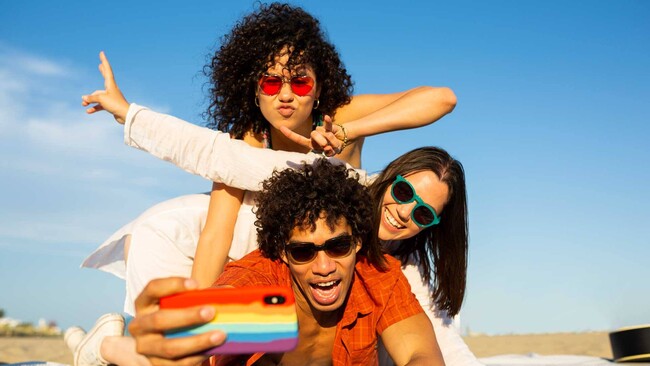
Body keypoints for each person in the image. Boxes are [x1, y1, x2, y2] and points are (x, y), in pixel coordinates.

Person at [71, 2, 457, 365]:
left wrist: (346, 131)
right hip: (277, 259)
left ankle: (103, 344)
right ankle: (106, 344)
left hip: (342, 270)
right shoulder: (249, 140)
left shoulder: (340, 118)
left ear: (320, 88)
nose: (286, 95)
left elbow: (440, 99)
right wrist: (198, 321)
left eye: (301, 83)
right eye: (271, 83)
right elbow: (216, 233)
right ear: (254, 89)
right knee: (183, 342)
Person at [129, 159, 445, 365]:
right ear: (282, 252)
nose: (323, 267)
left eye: (338, 246)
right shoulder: (262, 283)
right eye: (303, 252)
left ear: (358, 241)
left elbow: (421, 354)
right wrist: (175, 338)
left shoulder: (377, 277)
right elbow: (197, 334)